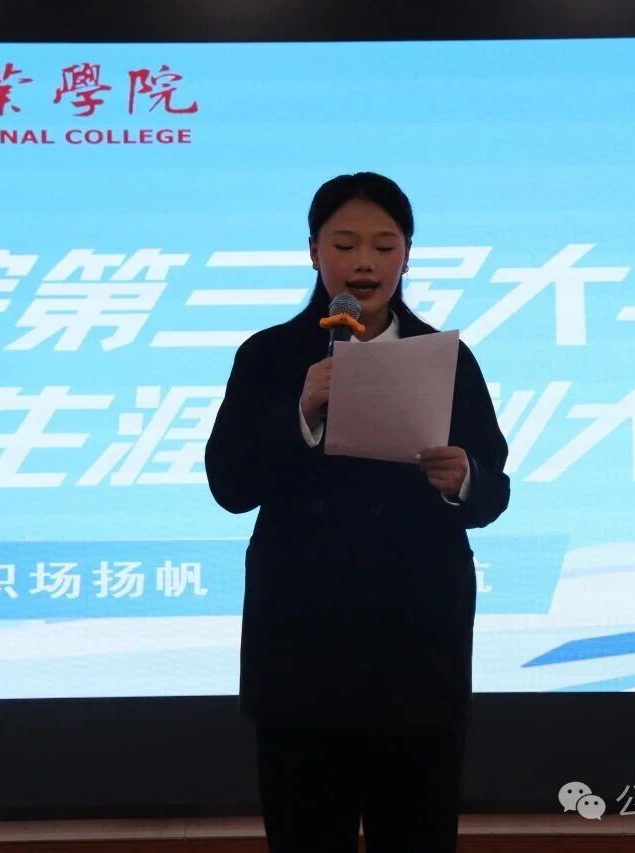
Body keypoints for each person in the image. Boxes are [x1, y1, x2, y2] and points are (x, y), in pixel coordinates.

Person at [204, 172, 510, 852]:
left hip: (417, 659)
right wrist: (302, 413)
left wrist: (464, 478)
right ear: (314, 251)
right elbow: (229, 484)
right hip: (301, 661)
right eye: (344, 245)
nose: (364, 262)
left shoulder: (446, 357)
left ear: (408, 255)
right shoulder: (269, 356)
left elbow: (493, 489)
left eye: (383, 245)